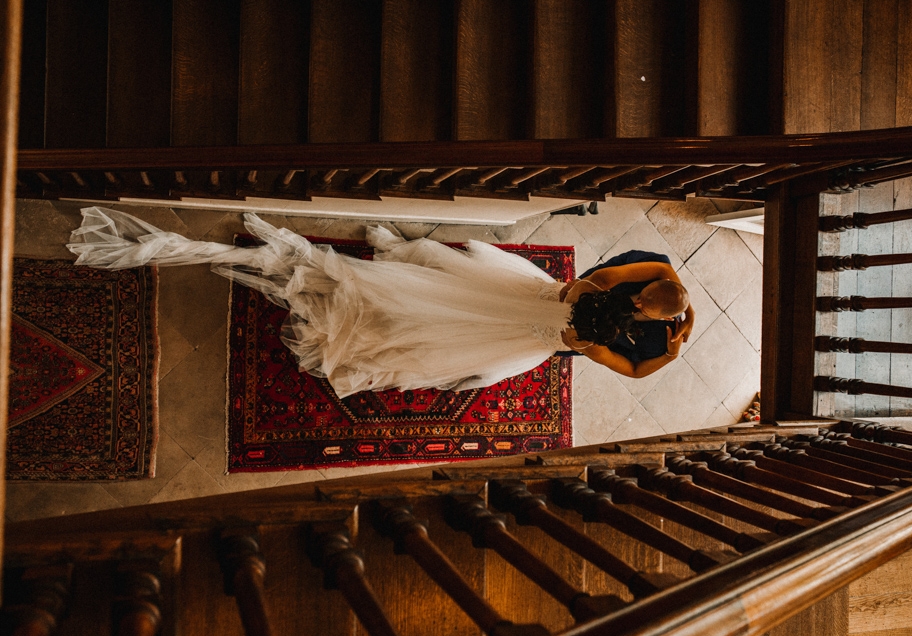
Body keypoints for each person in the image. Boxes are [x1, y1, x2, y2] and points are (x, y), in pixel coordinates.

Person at [67, 207, 691, 398]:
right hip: (526, 336)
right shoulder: (590, 343)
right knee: (442, 353)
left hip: (519, 292)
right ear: (640, 317)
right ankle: (373, 292)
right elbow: (636, 369)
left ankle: (388, 258)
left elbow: (641, 270)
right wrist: (677, 344)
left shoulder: (593, 287)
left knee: (447, 273)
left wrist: (669, 304)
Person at [556, 249, 695, 379]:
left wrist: (669, 356)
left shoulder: (659, 342)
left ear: (666, 318)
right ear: (659, 281)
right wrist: (580, 283)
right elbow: (663, 268)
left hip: (593, 336)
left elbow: (634, 370)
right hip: (586, 301)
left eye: (645, 309)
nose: (637, 305)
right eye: (641, 297)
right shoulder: (652, 268)